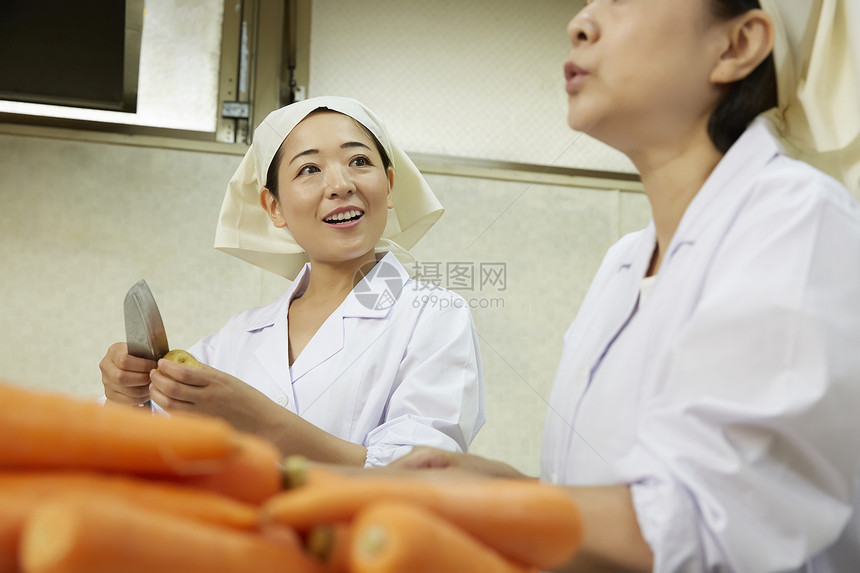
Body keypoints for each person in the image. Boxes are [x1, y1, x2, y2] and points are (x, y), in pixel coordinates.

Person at [390, 0, 860, 570]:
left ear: (736, 46)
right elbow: (639, 497)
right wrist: (521, 487)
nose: (579, 24)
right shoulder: (625, 261)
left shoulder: (799, 223)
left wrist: (486, 503)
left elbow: (709, 530)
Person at [100, 96, 486, 468]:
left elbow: (423, 475)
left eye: (359, 160)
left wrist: (261, 422)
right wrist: (124, 399)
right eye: (309, 169)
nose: (340, 184)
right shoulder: (235, 340)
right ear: (274, 207)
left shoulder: (433, 317)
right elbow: (144, 458)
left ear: (388, 185)